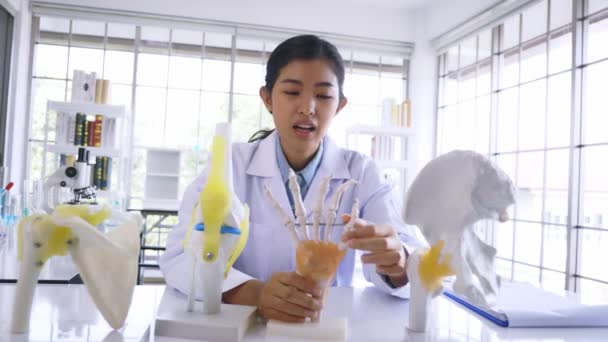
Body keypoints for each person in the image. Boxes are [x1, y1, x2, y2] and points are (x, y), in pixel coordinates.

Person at [160, 34, 418, 323]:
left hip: (324, 328)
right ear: (267, 98)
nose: (307, 107)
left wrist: (399, 263)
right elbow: (179, 256)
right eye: (292, 92)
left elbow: (417, 260)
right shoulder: (232, 165)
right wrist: (254, 293)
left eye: (323, 96)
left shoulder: (361, 172)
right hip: (248, 328)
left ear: (340, 106)